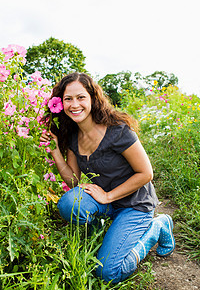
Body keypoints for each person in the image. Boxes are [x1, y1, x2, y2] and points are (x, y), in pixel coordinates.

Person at [40, 72, 175, 283]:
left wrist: (109, 196)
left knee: (108, 273)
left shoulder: (117, 131)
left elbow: (146, 173)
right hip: (107, 201)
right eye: (68, 99)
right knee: (69, 203)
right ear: (61, 103)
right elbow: (74, 182)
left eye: (81, 97)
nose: (75, 104)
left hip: (135, 204)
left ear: (93, 98)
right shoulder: (73, 136)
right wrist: (56, 151)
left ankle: (156, 228)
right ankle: (106, 235)